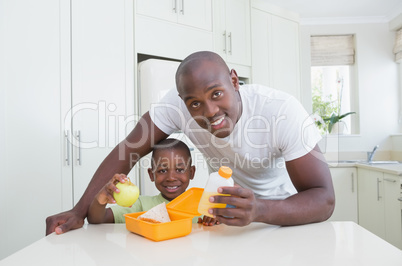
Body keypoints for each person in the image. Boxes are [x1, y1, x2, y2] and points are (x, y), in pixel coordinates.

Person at [46, 51, 335, 235]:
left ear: (234, 81)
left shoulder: (280, 111)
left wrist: (260, 210)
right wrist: (79, 210)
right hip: (225, 222)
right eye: (195, 103)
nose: (209, 112)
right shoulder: (176, 104)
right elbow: (128, 150)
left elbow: (324, 199)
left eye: (217, 94)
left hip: (283, 219)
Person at [87, 138, 218, 226]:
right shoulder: (140, 205)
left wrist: (214, 222)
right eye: (162, 171)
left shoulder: (205, 205)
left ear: (191, 172)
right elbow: (97, 219)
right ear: (151, 174)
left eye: (179, 170)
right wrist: (100, 200)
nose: (171, 177)